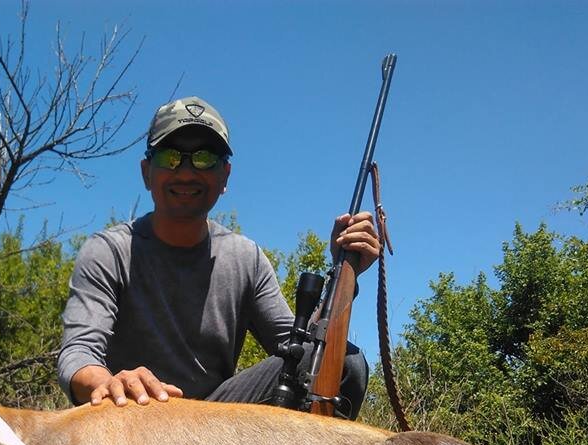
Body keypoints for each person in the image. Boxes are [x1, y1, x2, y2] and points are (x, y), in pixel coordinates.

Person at [57, 96, 380, 419]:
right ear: (146, 172)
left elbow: (301, 347)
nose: (185, 172)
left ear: (224, 175)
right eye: (170, 157)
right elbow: (78, 352)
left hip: (213, 425)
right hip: (132, 417)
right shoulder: (109, 250)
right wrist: (110, 383)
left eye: (204, 158)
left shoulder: (246, 259)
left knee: (344, 364)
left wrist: (344, 275)